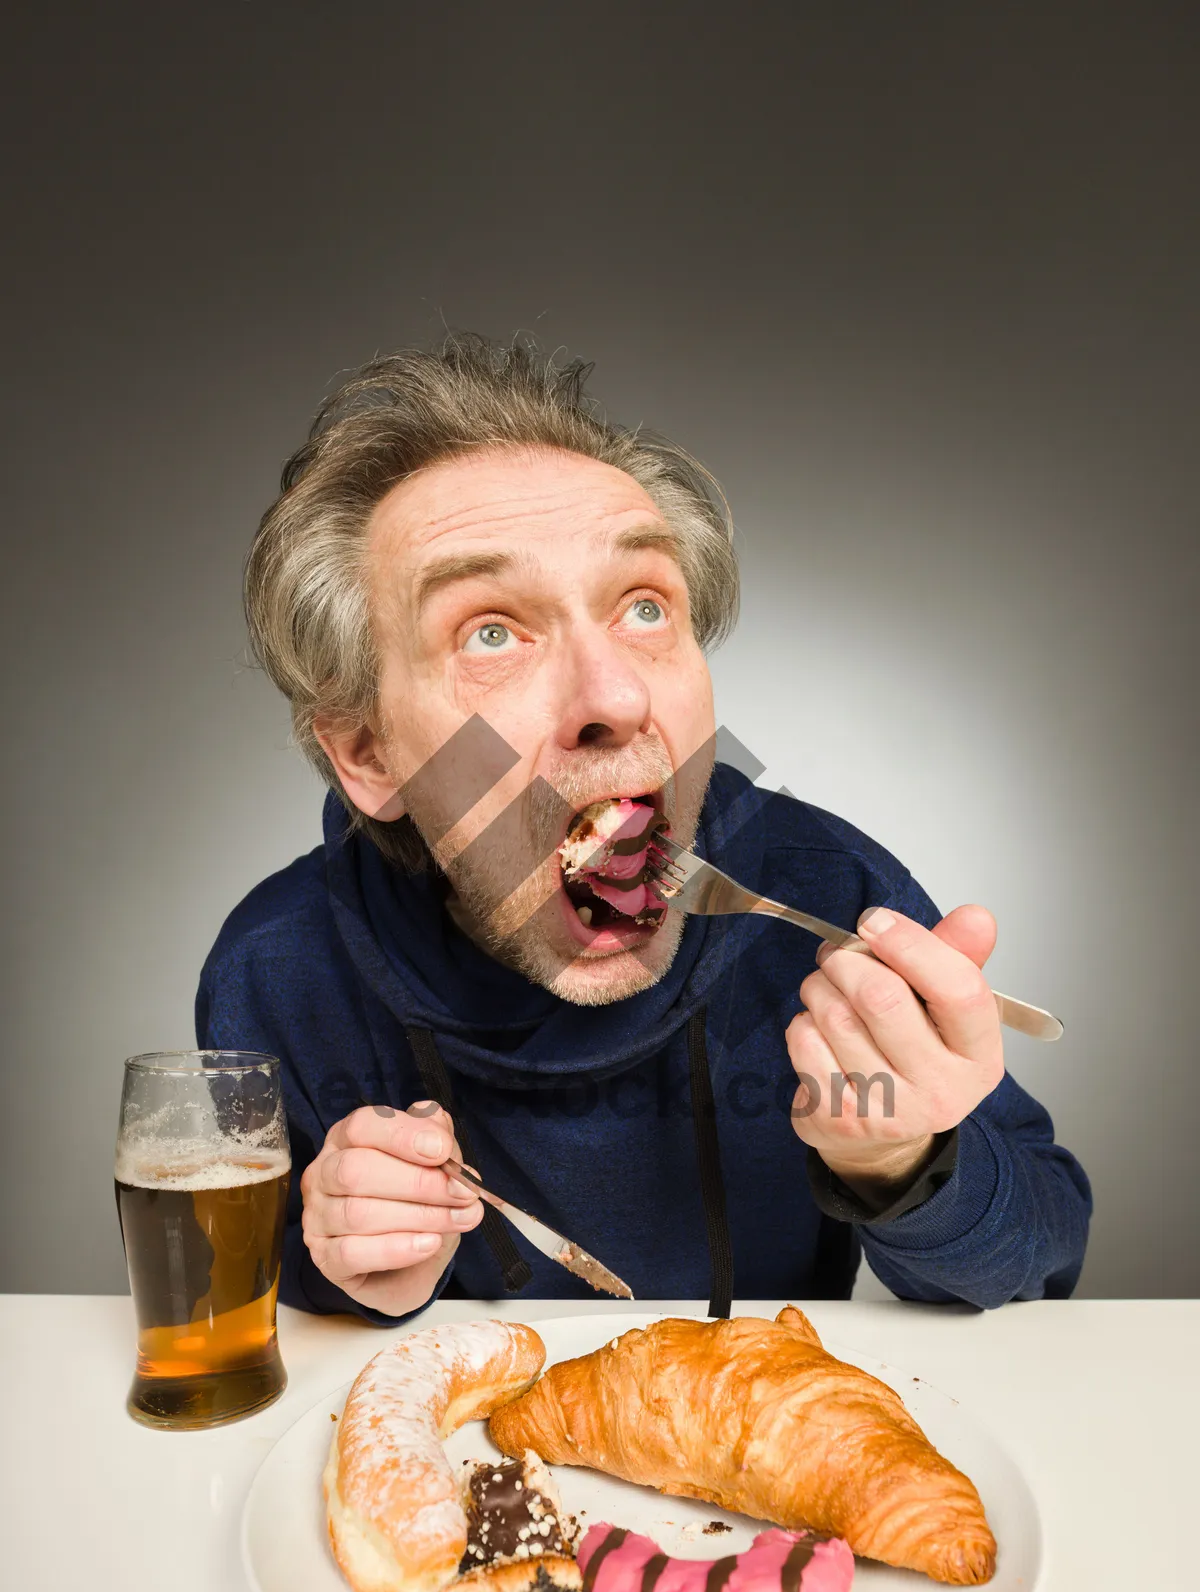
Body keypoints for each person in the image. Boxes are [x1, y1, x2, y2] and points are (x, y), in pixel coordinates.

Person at [196, 333, 1091, 1323]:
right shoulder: (279, 968)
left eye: (644, 608)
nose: (614, 695)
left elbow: (1043, 1264)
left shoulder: (823, 894)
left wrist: (903, 1160)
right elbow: (224, 1299)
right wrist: (342, 1263)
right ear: (367, 753)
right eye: (490, 630)